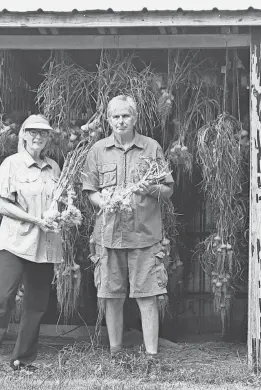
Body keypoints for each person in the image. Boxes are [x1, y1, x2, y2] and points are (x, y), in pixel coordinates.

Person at [0, 114, 62, 380]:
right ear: (23, 134)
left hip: (45, 245)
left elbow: (57, 203)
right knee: (2, 300)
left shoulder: (54, 167)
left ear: (48, 138)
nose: (37, 137)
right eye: (32, 132)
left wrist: (61, 214)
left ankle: (22, 360)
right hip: (16, 242)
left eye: (43, 133)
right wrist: (36, 219)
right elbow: (3, 205)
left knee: (36, 304)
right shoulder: (12, 164)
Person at [82, 95, 174, 359]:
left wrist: (152, 188)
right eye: (115, 116)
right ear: (108, 120)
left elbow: (167, 189)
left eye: (126, 116)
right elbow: (90, 190)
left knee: (148, 296)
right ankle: (115, 352)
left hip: (145, 236)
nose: (121, 121)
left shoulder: (151, 147)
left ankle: (152, 356)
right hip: (108, 235)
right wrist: (104, 201)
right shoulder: (97, 150)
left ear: (135, 118)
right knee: (112, 296)